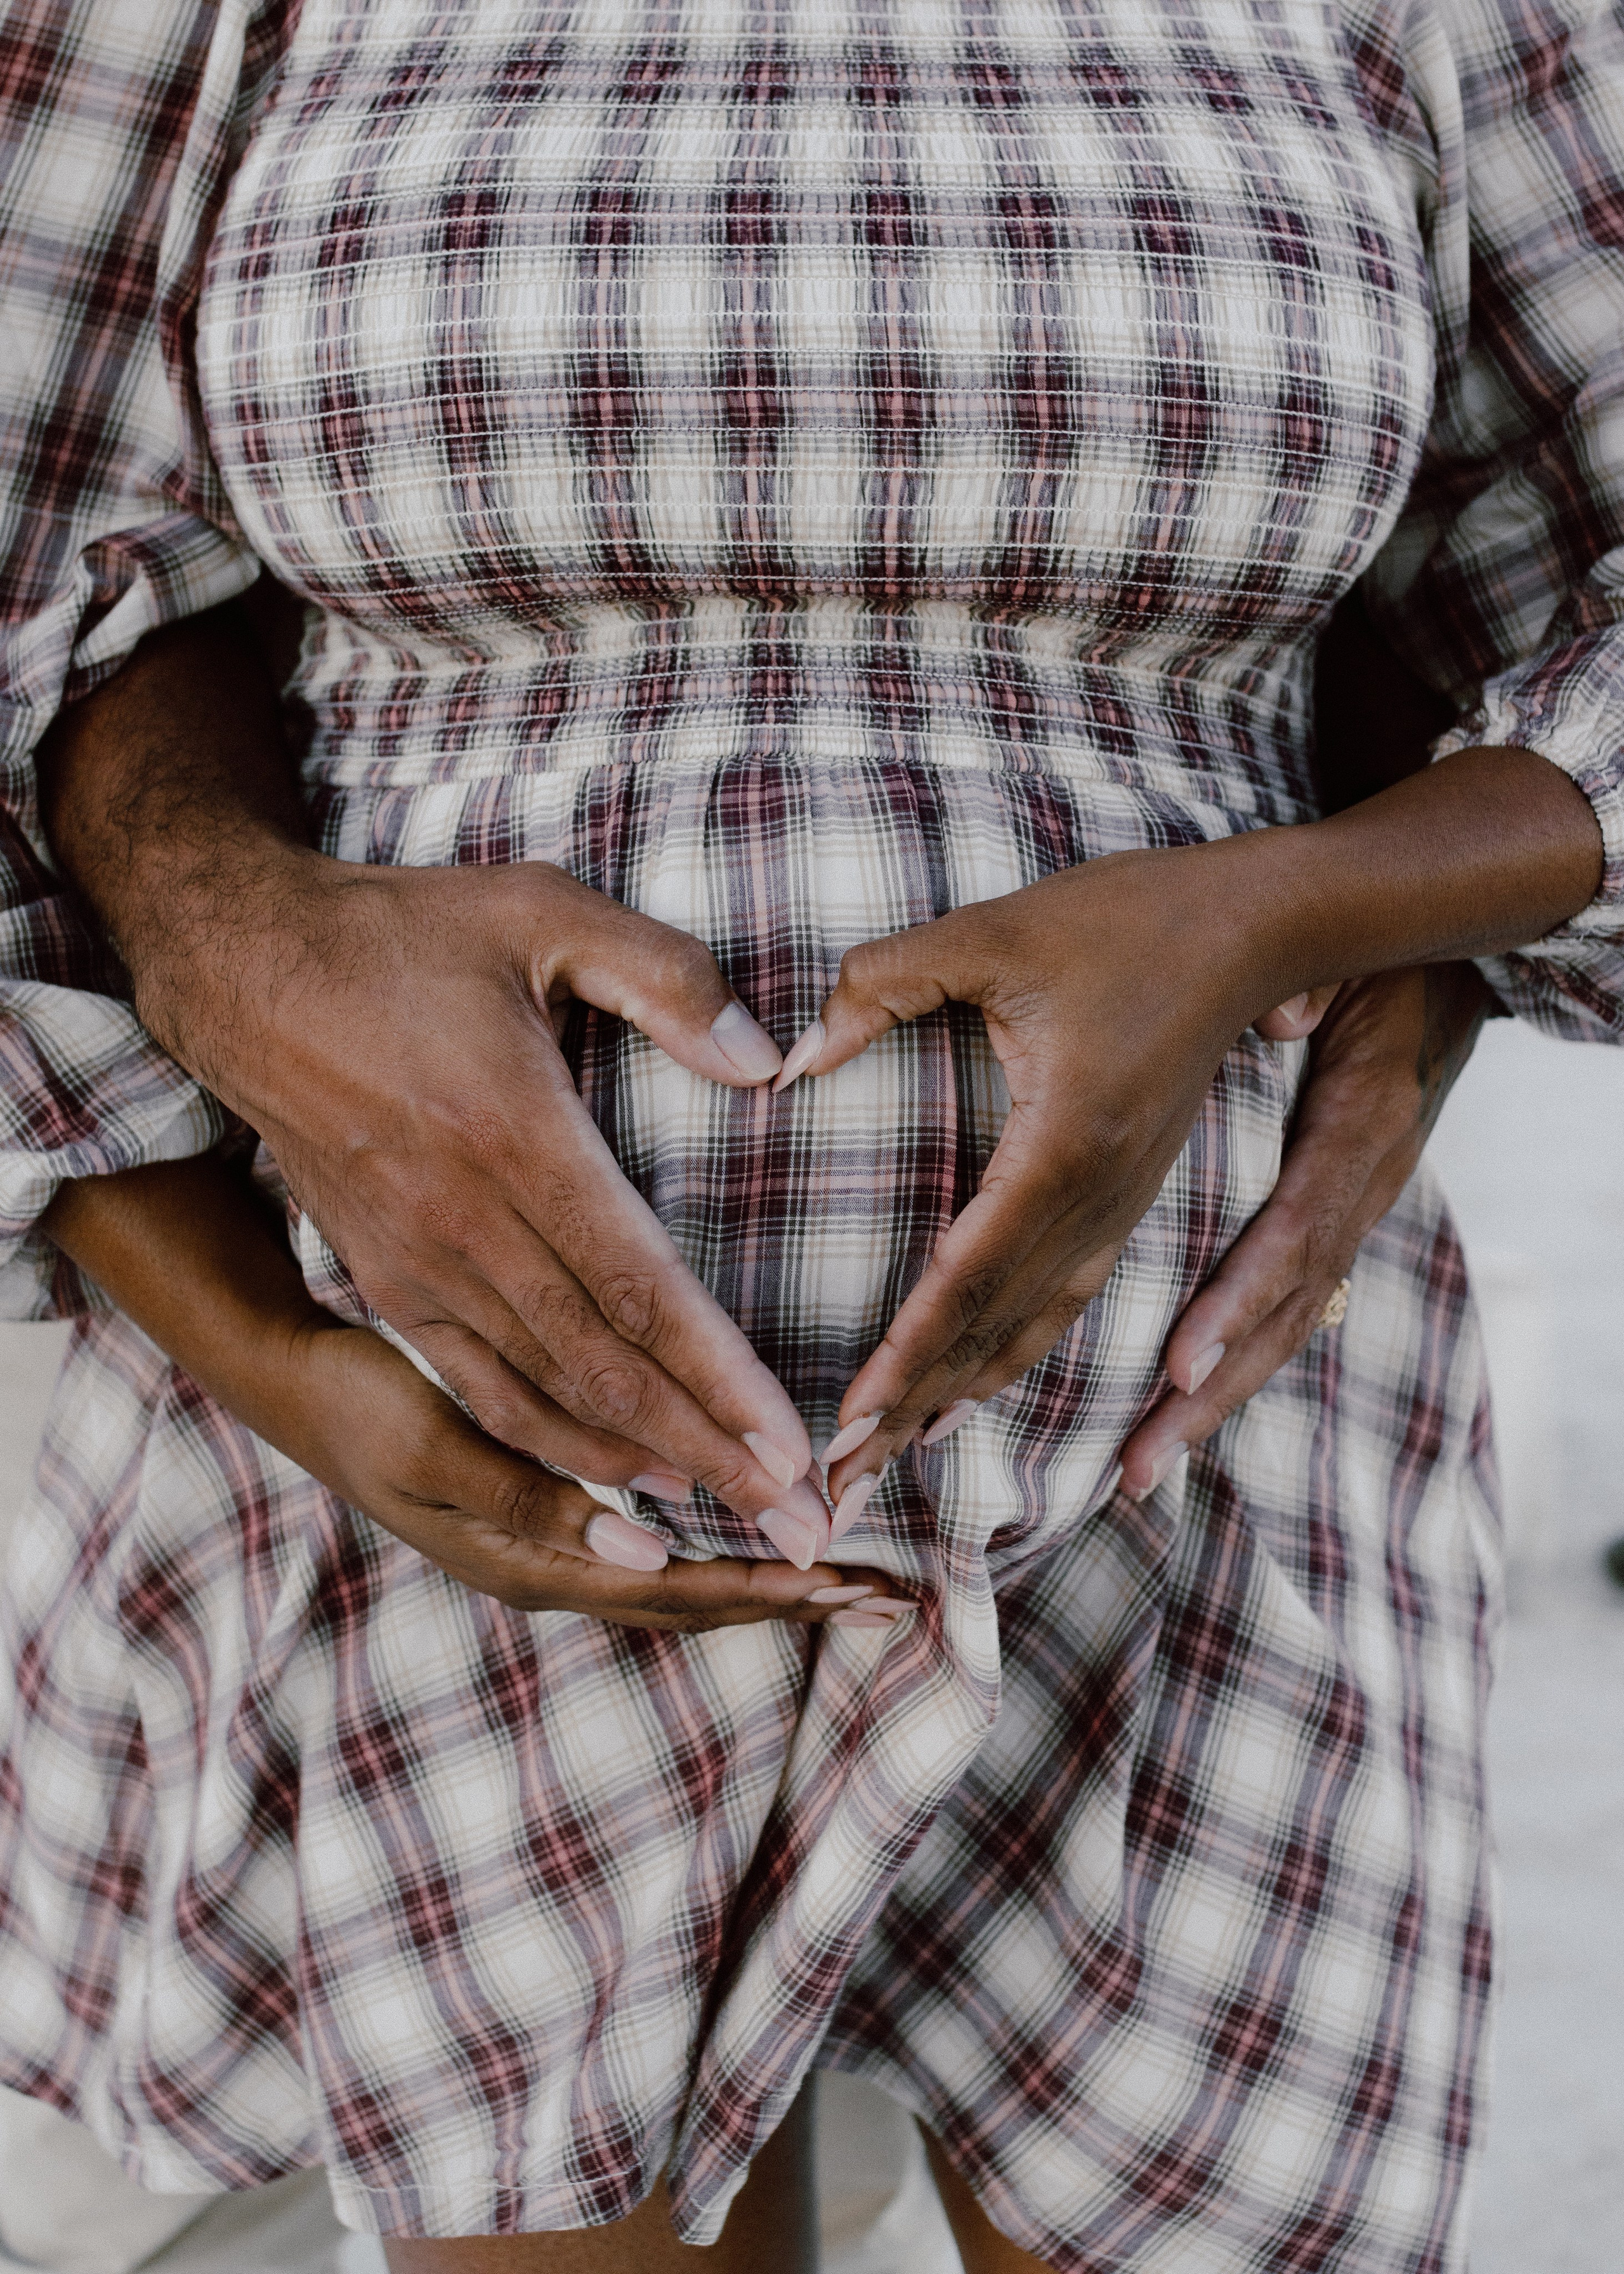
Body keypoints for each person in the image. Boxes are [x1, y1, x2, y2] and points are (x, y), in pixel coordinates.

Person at [1, 0, 1620, 2267]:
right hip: (471, 1498)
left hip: (1200, 1463)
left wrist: (1299, 914)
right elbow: (51, 538)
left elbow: (1574, 583)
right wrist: (243, 1105)